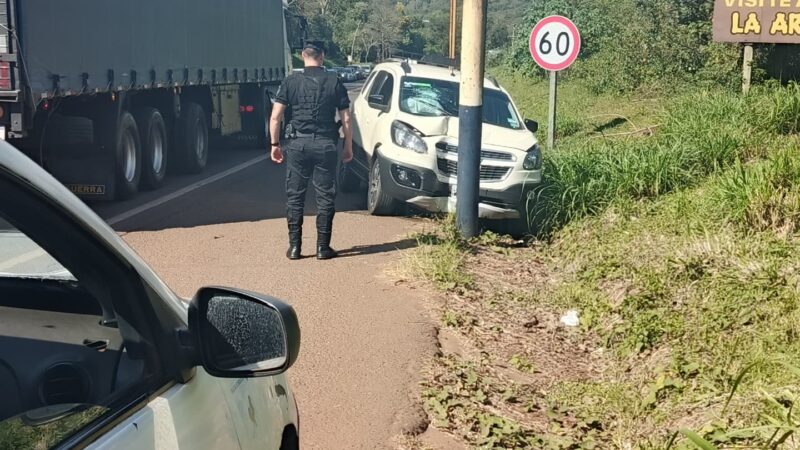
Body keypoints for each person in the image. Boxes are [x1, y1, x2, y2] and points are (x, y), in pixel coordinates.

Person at [269, 41, 353, 260]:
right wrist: (348, 146)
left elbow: (275, 117)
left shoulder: (290, 82)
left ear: (302, 56)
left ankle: (295, 247)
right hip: (325, 144)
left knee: (295, 197)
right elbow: (346, 119)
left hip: (297, 144)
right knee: (325, 197)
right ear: (322, 56)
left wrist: (275, 145)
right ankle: (322, 248)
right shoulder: (334, 82)